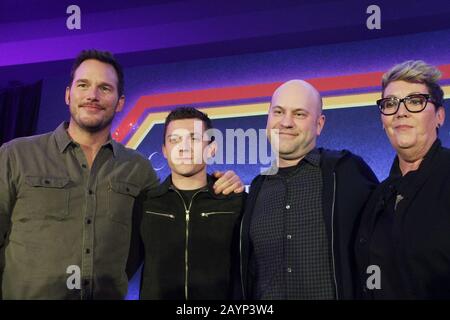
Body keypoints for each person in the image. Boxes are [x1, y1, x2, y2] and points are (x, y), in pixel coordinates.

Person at [0, 49, 243, 300]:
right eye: (83, 85)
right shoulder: (16, 156)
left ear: (120, 103)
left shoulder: (138, 169)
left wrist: (222, 180)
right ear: (67, 94)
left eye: (105, 88)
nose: (93, 95)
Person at [239, 80, 378, 300]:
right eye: (278, 112)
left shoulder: (346, 172)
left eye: (299, 114)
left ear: (319, 124)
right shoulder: (256, 188)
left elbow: (382, 248)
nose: (286, 122)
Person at [355, 60, 450, 299]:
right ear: (382, 120)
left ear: (440, 115)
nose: (401, 111)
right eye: (390, 104)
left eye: (415, 101)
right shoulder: (378, 195)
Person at [139, 107, 245, 300]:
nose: (184, 147)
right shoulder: (146, 203)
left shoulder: (236, 201)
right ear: (164, 150)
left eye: (194, 139)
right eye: (174, 140)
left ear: (211, 148)